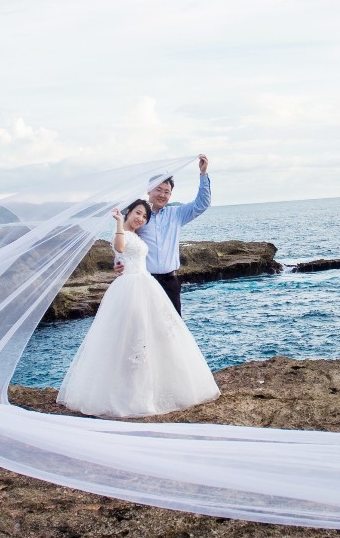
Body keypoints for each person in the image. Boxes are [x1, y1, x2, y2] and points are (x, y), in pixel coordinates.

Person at [56, 198, 220, 417]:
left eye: (144, 216)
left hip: (146, 283)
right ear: (129, 211)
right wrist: (117, 223)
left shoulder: (137, 234)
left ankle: (160, 385)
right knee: (133, 337)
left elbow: (125, 256)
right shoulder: (121, 233)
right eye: (138, 213)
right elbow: (119, 248)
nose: (141, 219)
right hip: (130, 288)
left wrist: (118, 261)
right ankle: (131, 394)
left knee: (157, 336)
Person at [138, 154, 210, 315]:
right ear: (149, 190)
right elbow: (125, 239)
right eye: (159, 189)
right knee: (146, 329)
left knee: (172, 330)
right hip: (145, 282)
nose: (162, 195)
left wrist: (203, 174)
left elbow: (202, 204)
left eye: (167, 192)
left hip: (171, 282)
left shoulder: (176, 214)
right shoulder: (139, 215)